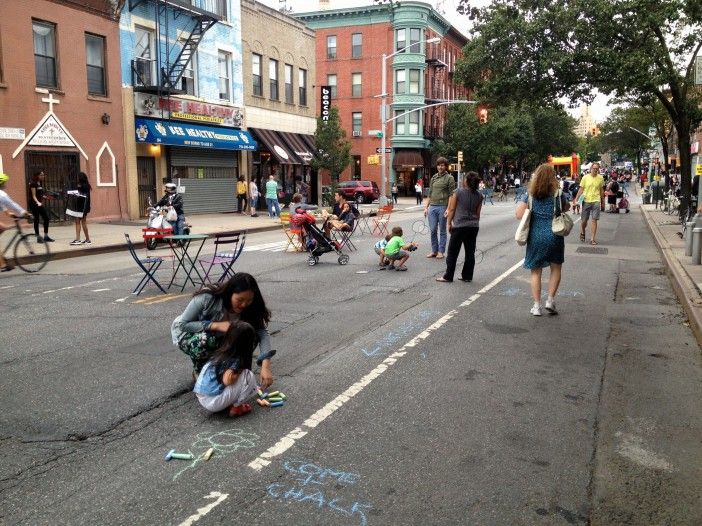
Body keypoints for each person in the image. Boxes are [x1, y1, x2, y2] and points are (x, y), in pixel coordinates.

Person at [171, 273, 275, 387]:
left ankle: (230, 368)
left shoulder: (251, 307)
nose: (244, 304)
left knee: (249, 334)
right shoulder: (208, 297)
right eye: (240, 300)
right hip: (189, 335)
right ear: (230, 293)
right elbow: (183, 324)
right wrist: (215, 325)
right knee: (206, 340)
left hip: (218, 337)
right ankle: (199, 371)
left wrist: (265, 367)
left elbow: (262, 333)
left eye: (249, 300)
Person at [516, 163, 570, 316]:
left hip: (536, 236)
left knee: (536, 271)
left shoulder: (531, 195)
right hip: (555, 235)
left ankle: (536, 306)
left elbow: (519, 215)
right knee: (556, 268)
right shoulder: (558, 194)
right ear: (553, 178)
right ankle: (550, 300)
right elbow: (566, 207)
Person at [193, 321, 258, 417]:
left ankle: (227, 401)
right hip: (213, 402)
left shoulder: (221, 352)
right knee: (248, 376)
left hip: (202, 396)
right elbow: (227, 380)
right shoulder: (236, 358)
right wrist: (239, 373)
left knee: (242, 377)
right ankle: (237, 408)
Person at [436, 172, 482, 283]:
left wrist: (449, 223)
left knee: (452, 252)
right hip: (473, 226)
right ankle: (467, 276)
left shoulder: (457, 192)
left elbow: (451, 209)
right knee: (470, 252)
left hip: (460, 225)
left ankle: (448, 276)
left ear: (466, 181)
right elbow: (478, 213)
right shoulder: (480, 196)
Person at [424, 157, 456, 259]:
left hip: (443, 206)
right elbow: (429, 194)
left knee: (442, 230)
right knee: (433, 230)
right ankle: (434, 250)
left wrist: (448, 209)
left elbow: (451, 195)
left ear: (445, 166)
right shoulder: (433, 178)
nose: (440, 167)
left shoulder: (449, 178)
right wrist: (426, 207)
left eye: (442, 165)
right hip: (432, 207)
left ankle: (441, 251)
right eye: (438, 165)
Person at [0, 173, 31, 272]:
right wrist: (25, 213)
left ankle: (2, 259)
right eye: (5, 182)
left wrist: (13, 215)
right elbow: (13, 205)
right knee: (3, 227)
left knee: (2, 228)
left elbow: (5, 210)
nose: (6, 184)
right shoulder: (2, 195)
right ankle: (3, 265)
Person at [573, 162, 605, 245]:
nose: (595, 170)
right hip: (586, 200)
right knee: (584, 221)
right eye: (594, 168)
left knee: (594, 220)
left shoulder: (600, 178)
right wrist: (576, 199)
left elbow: (601, 191)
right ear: (591, 169)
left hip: (596, 200)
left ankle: (592, 239)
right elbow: (581, 189)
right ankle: (583, 231)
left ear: (598, 169)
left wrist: (603, 202)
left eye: (597, 169)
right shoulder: (585, 177)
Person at [29, 171, 54, 243]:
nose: (43, 176)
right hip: (34, 204)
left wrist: (47, 197)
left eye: (43, 175)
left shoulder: (39, 183)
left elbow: (40, 194)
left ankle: (46, 236)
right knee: (36, 220)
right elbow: (33, 195)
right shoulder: (33, 183)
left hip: (39, 203)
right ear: (37, 175)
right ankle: (38, 237)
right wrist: (38, 202)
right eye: (41, 175)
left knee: (46, 218)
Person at [69, 172, 92, 245]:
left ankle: (78, 239)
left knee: (77, 222)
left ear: (80, 178)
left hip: (81, 206)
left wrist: (74, 193)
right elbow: (85, 195)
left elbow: (79, 194)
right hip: (85, 206)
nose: (77, 178)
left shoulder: (80, 185)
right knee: (83, 222)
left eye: (78, 177)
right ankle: (87, 239)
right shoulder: (87, 185)